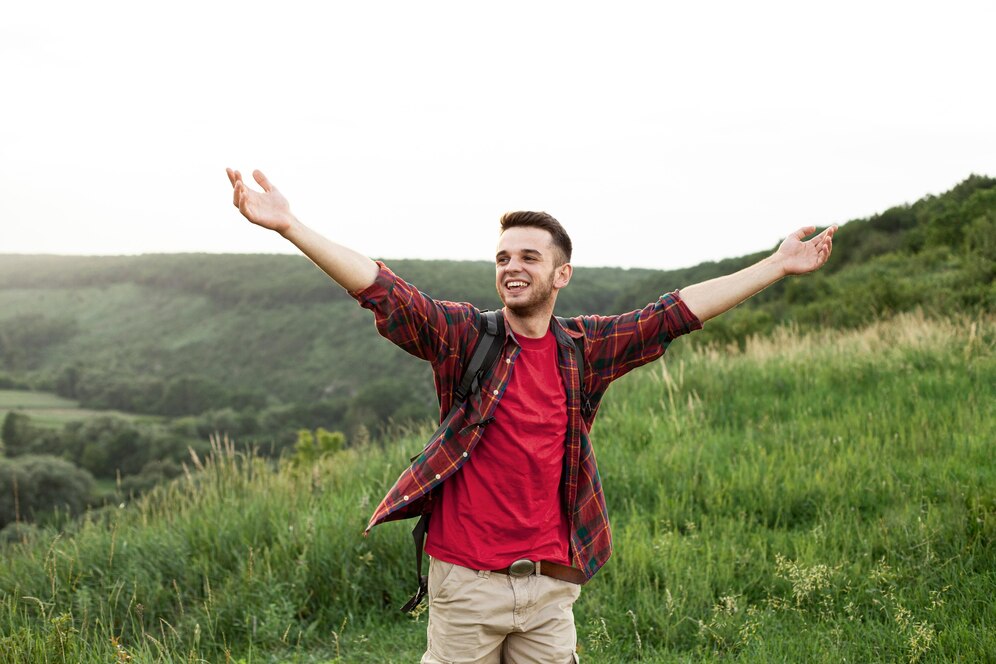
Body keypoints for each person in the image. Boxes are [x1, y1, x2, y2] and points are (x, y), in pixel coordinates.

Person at [226, 168, 836, 663]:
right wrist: (289, 226)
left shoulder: (583, 349)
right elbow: (386, 292)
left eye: (528, 257)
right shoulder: (469, 338)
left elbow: (673, 314)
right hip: (465, 582)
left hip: (549, 585)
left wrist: (776, 266)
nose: (511, 267)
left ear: (561, 274)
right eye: (501, 258)